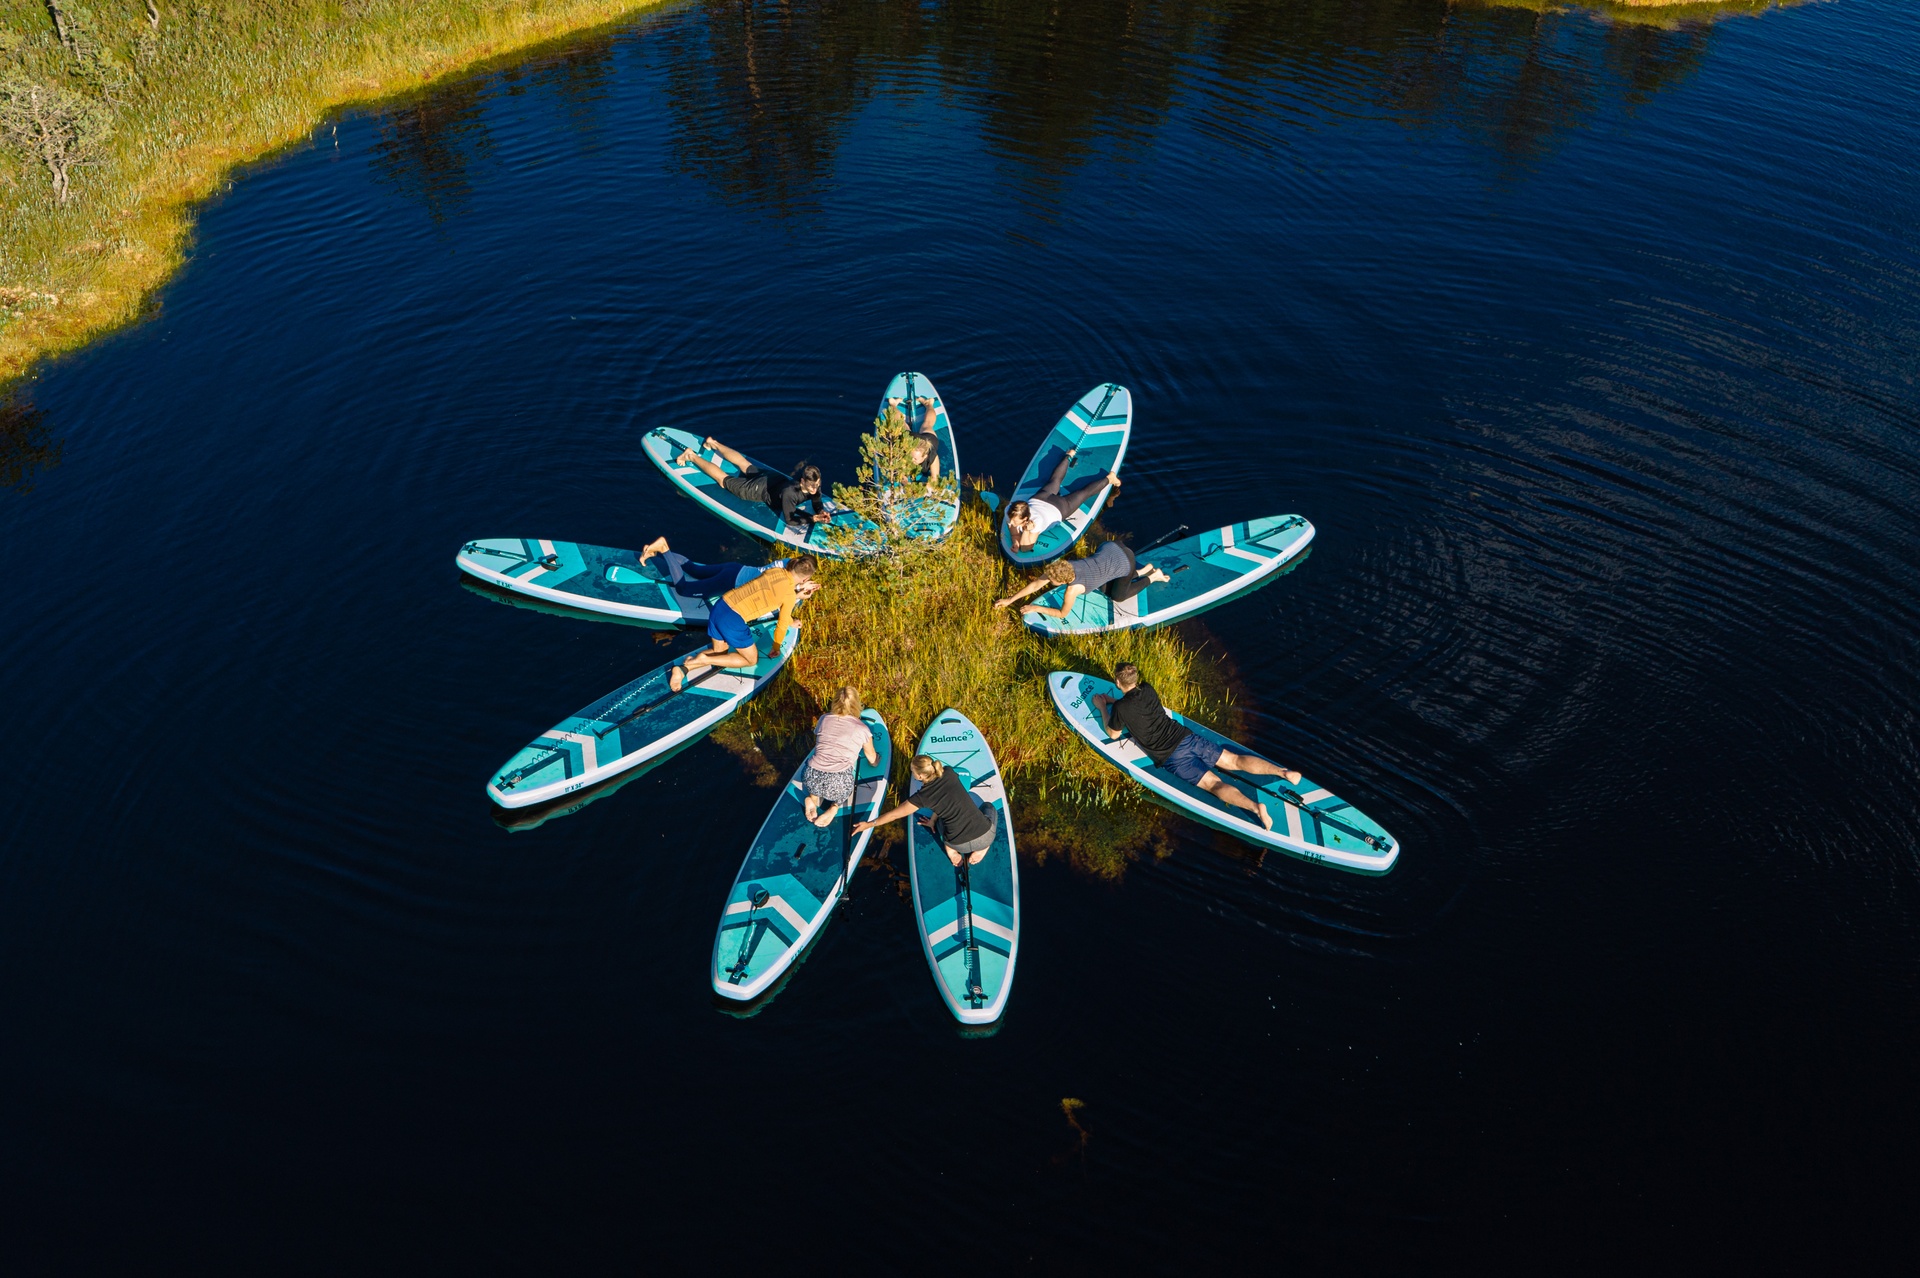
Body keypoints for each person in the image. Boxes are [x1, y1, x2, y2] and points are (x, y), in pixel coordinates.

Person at [1092, 663, 1301, 831]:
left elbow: (1113, 733)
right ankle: (1284, 772)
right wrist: (1114, 701)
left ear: (1118, 681)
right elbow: (1134, 703)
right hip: (1186, 738)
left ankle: (1256, 808)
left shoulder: (1120, 708)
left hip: (1172, 756)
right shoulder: (1147, 688)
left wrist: (1103, 707)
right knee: (1234, 760)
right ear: (1136, 678)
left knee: (1214, 785)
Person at [669, 554, 815, 692]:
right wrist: (776, 647)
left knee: (721, 653)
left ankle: (683, 669)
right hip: (733, 620)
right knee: (751, 659)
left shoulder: (775, 571)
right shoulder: (789, 596)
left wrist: (795, 594)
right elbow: (782, 625)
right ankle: (702, 659)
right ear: (805, 579)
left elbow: (769, 591)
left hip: (720, 606)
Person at [852, 754, 997, 866]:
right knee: (989, 807)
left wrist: (868, 824)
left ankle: (952, 852)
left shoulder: (922, 797)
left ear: (920, 776)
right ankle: (982, 849)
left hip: (957, 843)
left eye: (913, 772)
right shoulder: (949, 772)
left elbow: (893, 815)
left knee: (942, 821)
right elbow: (948, 797)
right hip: (985, 837)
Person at [676, 436, 832, 529]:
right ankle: (691, 456)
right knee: (724, 480)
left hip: (774, 479)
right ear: (803, 481)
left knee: (745, 465)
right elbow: (790, 520)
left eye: (817, 484)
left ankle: (713, 443)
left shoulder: (814, 486)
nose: (814, 488)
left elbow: (816, 500)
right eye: (811, 485)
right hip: (760, 489)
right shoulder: (790, 493)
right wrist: (812, 519)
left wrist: (820, 511)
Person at [995, 539, 1170, 617]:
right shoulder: (1064, 566)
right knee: (1104, 586)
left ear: (1063, 581)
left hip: (1126, 560)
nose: (1048, 579)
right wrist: (1010, 600)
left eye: (1051, 579)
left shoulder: (1073, 589)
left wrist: (1035, 608)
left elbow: (1062, 614)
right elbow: (1035, 586)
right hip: (1111, 546)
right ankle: (1143, 570)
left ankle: (1153, 576)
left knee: (1117, 596)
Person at [1004, 444, 1120, 553]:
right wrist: (1016, 542)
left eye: (1015, 521)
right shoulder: (1010, 510)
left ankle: (1110, 478)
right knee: (1054, 480)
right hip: (1040, 498)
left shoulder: (1036, 522)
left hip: (1058, 508)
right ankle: (1068, 455)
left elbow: (1026, 548)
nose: (1011, 522)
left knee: (1083, 493)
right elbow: (1014, 534)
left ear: (1025, 518)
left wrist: (1026, 531)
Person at [636, 536, 821, 603]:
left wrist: (798, 588)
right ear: (804, 579)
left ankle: (655, 552)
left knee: (694, 569)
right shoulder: (782, 580)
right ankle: (664, 549)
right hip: (730, 581)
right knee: (683, 589)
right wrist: (798, 593)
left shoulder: (787, 562)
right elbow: (778, 596)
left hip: (735, 568)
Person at [803, 687, 879, 827]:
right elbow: (872, 759)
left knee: (815, 784)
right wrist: (877, 759)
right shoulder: (862, 729)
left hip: (810, 776)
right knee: (844, 793)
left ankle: (812, 799)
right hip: (837, 783)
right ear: (857, 704)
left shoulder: (824, 719)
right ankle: (834, 807)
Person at [886, 395, 943, 491]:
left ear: (925, 456)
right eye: (911, 456)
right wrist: (907, 485)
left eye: (915, 458)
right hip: (912, 439)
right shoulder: (906, 452)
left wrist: (919, 489)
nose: (912, 460)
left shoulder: (932, 457)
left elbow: (935, 479)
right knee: (902, 425)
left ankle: (929, 404)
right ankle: (893, 405)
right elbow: (902, 476)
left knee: (927, 424)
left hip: (928, 439)